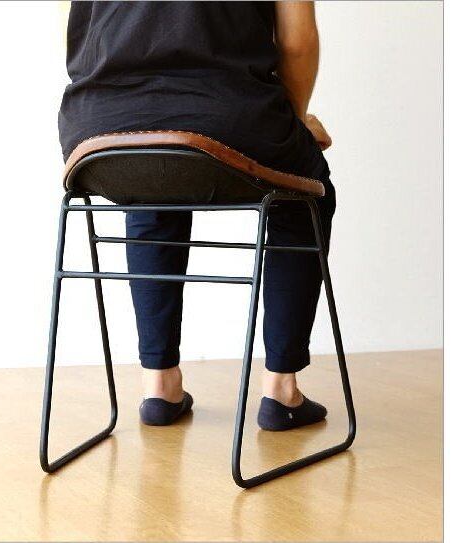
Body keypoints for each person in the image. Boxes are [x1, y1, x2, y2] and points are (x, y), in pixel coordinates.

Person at [59, 1, 335, 430]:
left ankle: (159, 385)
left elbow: (77, 30)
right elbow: (297, 42)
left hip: (96, 124)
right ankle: (282, 391)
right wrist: (295, 123)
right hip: (226, 114)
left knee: (151, 179)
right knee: (304, 194)